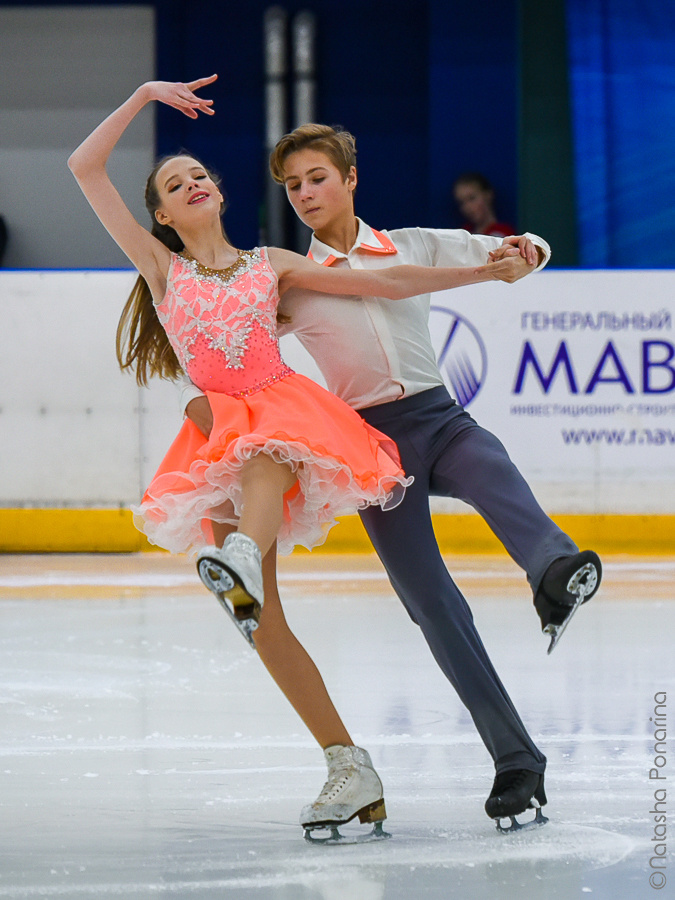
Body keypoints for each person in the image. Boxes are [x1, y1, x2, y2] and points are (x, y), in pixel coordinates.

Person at [67, 76, 530, 842]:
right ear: (162, 216)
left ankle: (242, 555)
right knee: (259, 621)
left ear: (219, 194)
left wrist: (479, 270)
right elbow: (85, 168)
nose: (192, 184)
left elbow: (385, 280)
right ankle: (348, 766)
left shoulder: (271, 263)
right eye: (175, 185)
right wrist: (143, 95)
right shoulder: (162, 270)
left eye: (200, 175)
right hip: (218, 431)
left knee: (263, 444)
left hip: (282, 412)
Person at [181, 123, 602, 832]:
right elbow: (234, 341)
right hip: (368, 447)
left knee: (490, 467)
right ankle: (516, 761)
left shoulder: (413, 244)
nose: (305, 193)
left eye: (317, 178)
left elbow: (512, 250)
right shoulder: (290, 277)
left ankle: (556, 571)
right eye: (293, 185)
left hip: (439, 418)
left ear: (350, 179)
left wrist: (528, 250)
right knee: (431, 605)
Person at [453, 171, 515, 238]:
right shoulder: (463, 234)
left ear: (488, 195)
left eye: (471, 198)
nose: (467, 207)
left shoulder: (504, 233)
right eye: (461, 202)